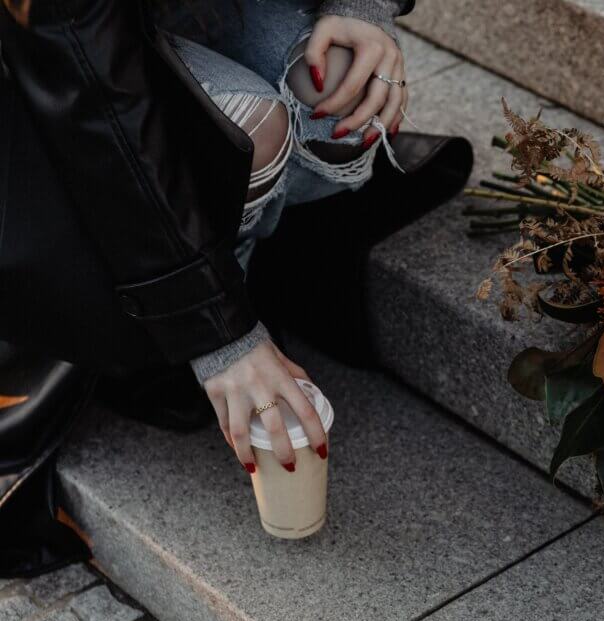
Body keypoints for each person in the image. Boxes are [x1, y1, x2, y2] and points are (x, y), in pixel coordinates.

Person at [1, 0, 413, 473]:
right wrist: (217, 332)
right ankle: (187, 303)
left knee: (342, 87)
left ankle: (234, 257)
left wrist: (364, 8)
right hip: (49, 59)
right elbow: (92, 96)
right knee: (246, 133)